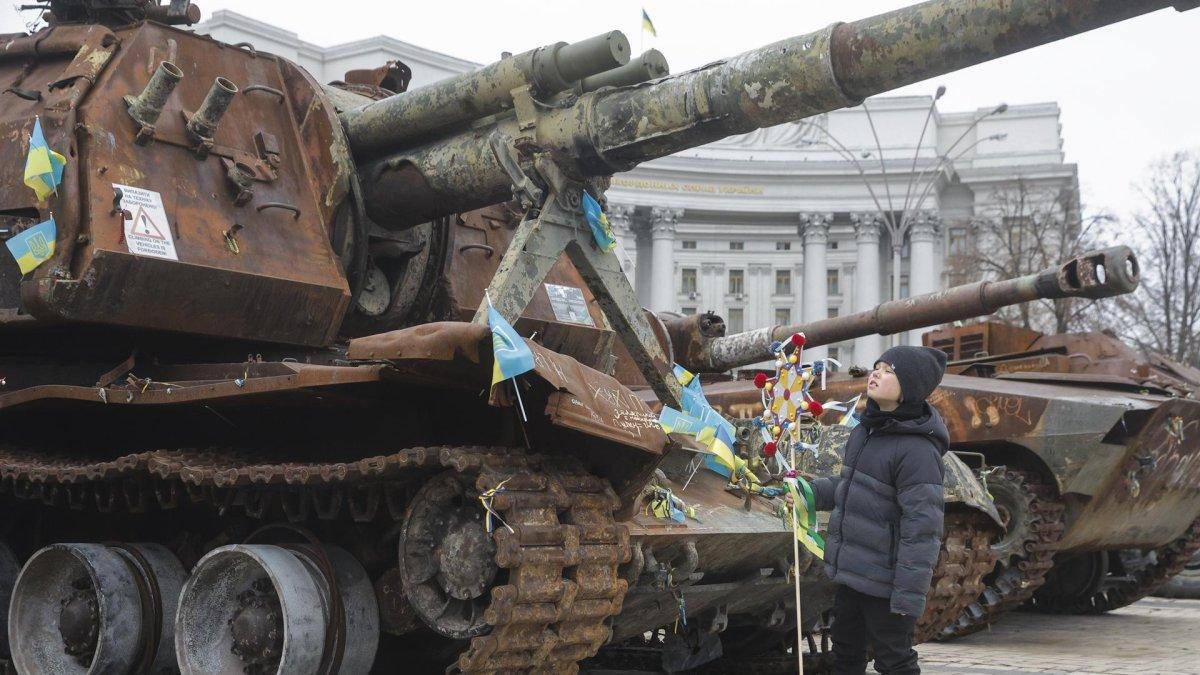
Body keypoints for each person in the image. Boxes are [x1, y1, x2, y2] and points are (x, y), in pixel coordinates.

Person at [811, 345, 949, 675]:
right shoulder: (866, 432)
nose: (876, 373)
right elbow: (851, 489)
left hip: (887, 584)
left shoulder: (917, 450)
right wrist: (808, 491)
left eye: (888, 370)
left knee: (894, 660)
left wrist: (907, 597)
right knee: (845, 653)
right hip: (852, 575)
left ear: (910, 387)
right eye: (876, 366)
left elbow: (922, 529)